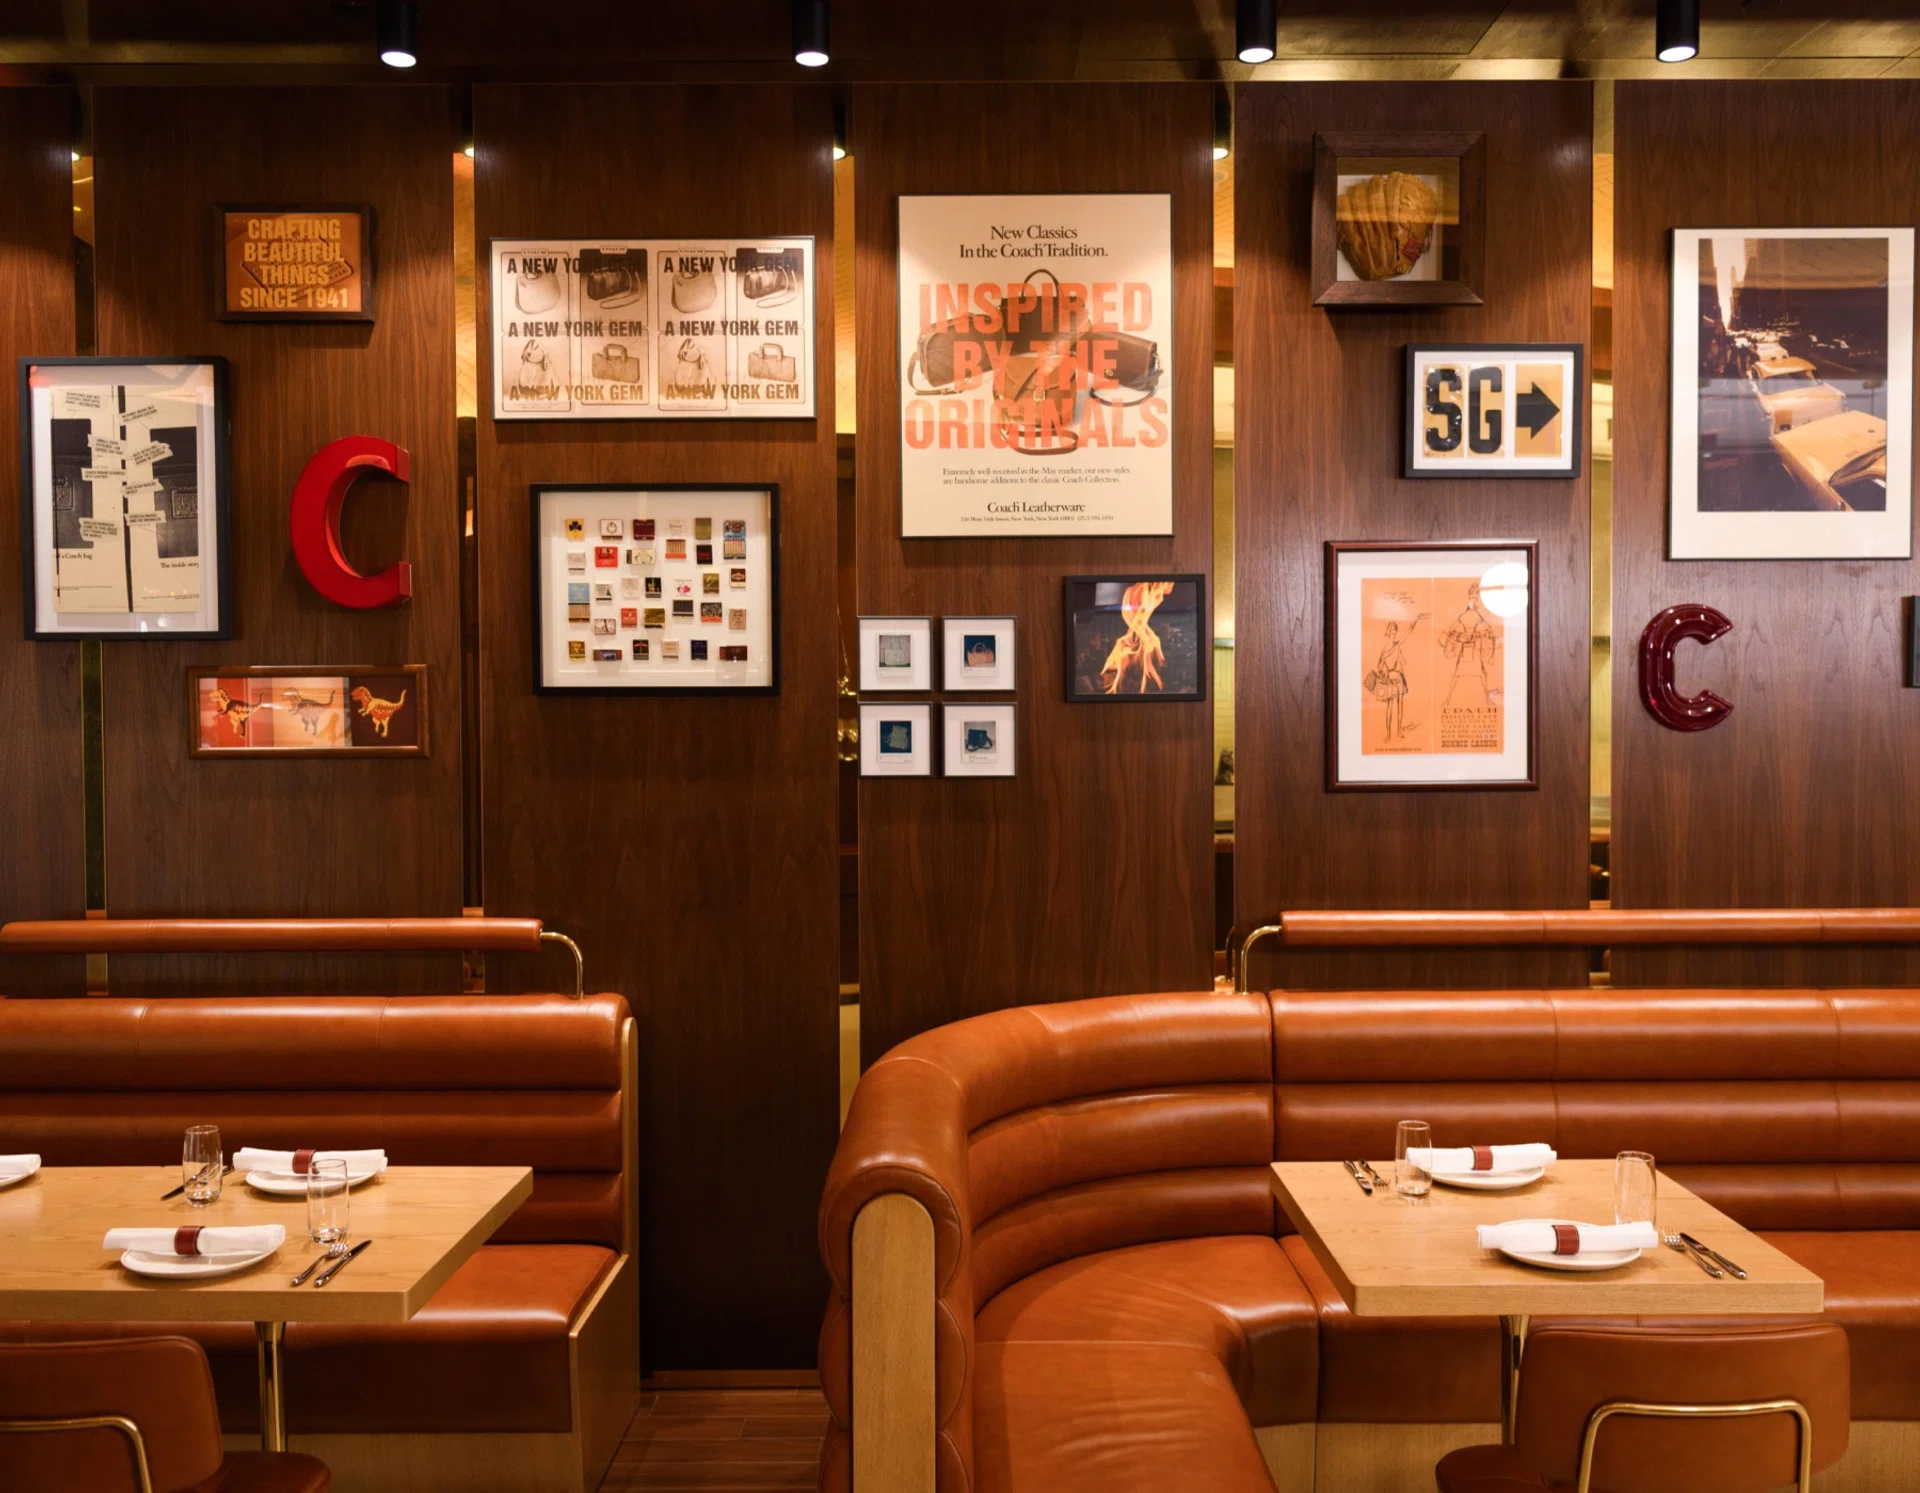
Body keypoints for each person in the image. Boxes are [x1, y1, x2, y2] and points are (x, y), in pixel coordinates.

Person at [1367, 613, 1426, 745]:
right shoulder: (1384, 648)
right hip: (1389, 680)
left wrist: (1416, 619)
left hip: (1398, 678)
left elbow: (1409, 631)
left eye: (1395, 630)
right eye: (1391, 629)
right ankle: (1388, 734)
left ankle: (1399, 731)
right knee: (1389, 707)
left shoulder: (1398, 644)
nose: (1393, 632)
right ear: (1387, 631)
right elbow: (1379, 665)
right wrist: (1385, 671)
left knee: (1400, 706)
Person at [1441, 582, 1498, 707]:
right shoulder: (1465, 615)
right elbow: (1451, 630)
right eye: (1473, 597)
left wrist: (1480, 635)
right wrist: (1460, 637)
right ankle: (1448, 699)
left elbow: (1488, 629)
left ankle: (1487, 700)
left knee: (1482, 674)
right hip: (1465, 647)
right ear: (1469, 598)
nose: (1475, 600)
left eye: (1476, 597)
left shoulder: (1478, 615)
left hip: (1475, 648)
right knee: (1456, 674)